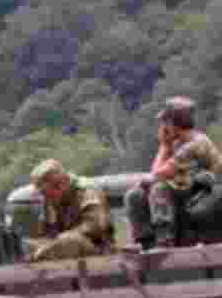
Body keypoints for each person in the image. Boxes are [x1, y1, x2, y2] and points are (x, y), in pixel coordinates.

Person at [125, 96, 222, 248]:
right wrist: (166, 147)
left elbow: (158, 175)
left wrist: (163, 147)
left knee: (159, 188)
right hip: (188, 188)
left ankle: (165, 242)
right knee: (135, 194)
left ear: (172, 123)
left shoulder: (196, 144)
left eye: (165, 121)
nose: (162, 126)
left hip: (203, 193)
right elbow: (157, 173)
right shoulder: (179, 143)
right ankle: (145, 242)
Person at [25, 159, 113, 261]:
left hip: (97, 250)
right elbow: (46, 231)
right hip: (62, 245)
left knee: (69, 241)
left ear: (61, 185)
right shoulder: (49, 199)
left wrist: (60, 239)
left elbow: (96, 226)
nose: (44, 197)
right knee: (27, 246)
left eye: (45, 192)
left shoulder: (87, 191)